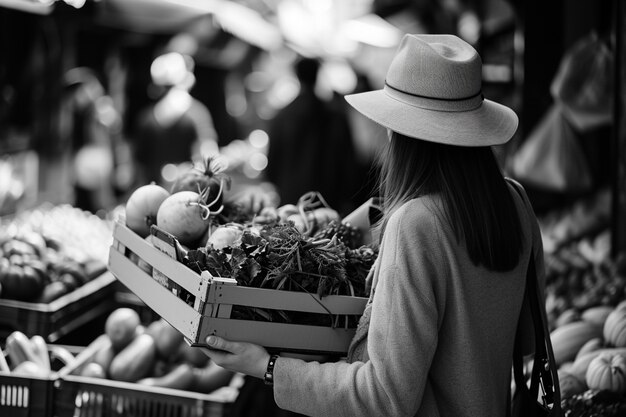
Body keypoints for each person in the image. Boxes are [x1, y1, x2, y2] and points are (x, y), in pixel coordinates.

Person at [200, 34, 545, 417]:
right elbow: (525, 336)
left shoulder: (416, 224)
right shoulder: (515, 201)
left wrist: (266, 367)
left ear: (401, 133)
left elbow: (384, 397)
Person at [265, 56, 360, 216]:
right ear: (317, 75)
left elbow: (272, 163)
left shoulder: (282, 116)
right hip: (327, 199)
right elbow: (349, 160)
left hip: (291, 198)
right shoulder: (335, 115)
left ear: (296, 76)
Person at [132, 51, 219, 186]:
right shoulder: (197, 113)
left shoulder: (147, 117)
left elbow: (139, 165)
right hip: (189, 194)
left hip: (154, 193)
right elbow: (209, 158)